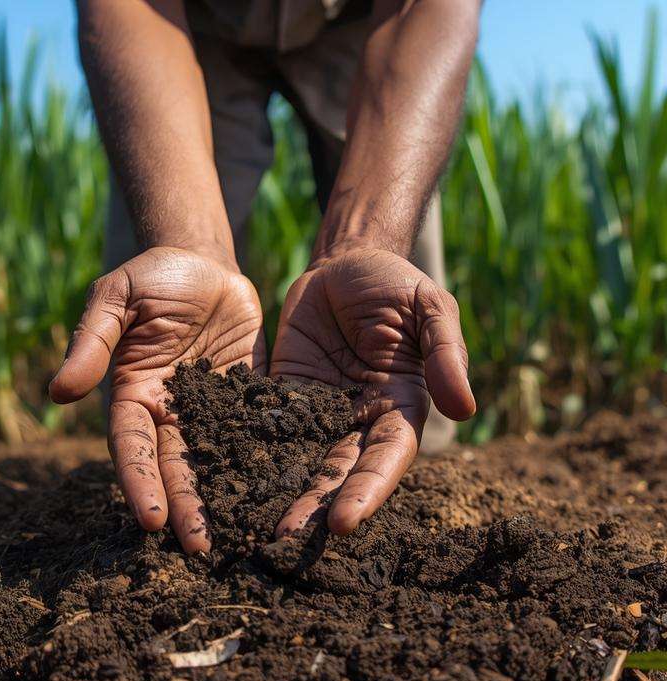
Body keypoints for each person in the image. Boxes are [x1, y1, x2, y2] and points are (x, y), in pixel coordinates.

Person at [49, 0, 479, 554]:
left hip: (367, 20)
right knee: (161, 289)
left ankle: (402, 516)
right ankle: (160, 543)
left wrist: (367, 240)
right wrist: (188, 243)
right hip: (182, 29)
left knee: (392, 326)